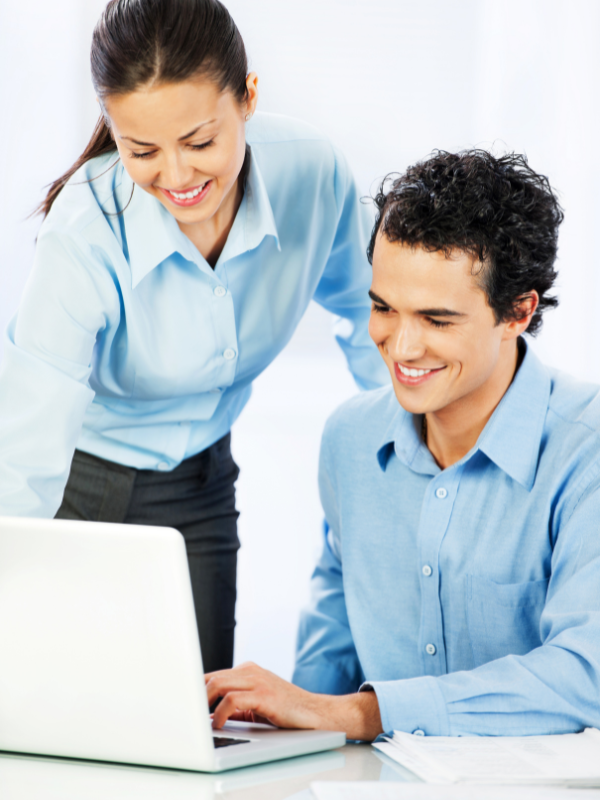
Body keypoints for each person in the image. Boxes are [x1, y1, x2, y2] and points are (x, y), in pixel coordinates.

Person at [0, 0, 386, 673]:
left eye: (201, 142)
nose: (176, 178)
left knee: (193, 719)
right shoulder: (86, 228)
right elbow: (29, 439)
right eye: (141, 150)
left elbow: (375, 313)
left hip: (198, 486)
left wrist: (411, 451)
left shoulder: (311, 175)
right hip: (76, 485)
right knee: (49, 707)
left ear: (248, 99)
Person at [205, 149, 600, 740]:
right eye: (383, 308)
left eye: (437, 320)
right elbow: (330, 649)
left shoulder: (583, 450)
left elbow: (584, 679)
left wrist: (365, 713)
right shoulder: (351, 440)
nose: (402, 346)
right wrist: (278, 731)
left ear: (518, 311)